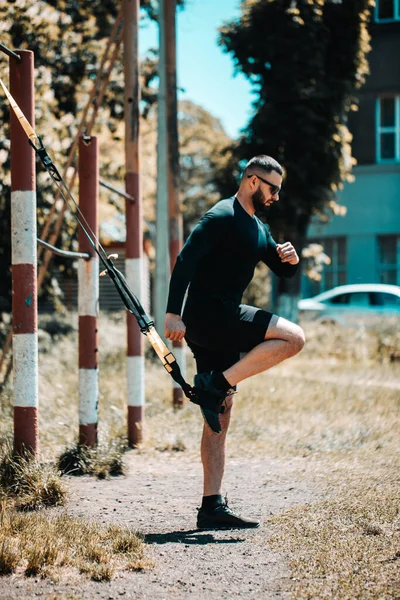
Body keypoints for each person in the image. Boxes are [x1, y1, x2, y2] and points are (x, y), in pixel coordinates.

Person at [164, 155, 305, 530]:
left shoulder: (257, 227)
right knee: (293, 338)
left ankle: (211, 506)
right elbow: (185, 261)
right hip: (210, 315)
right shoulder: (222, 216)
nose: (276, 195)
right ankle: (217, 384)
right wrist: (171, 312)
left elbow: (281, 270)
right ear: (253, 181)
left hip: (215, 321)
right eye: (273, 187)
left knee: (218, 413)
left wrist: (290, 260)